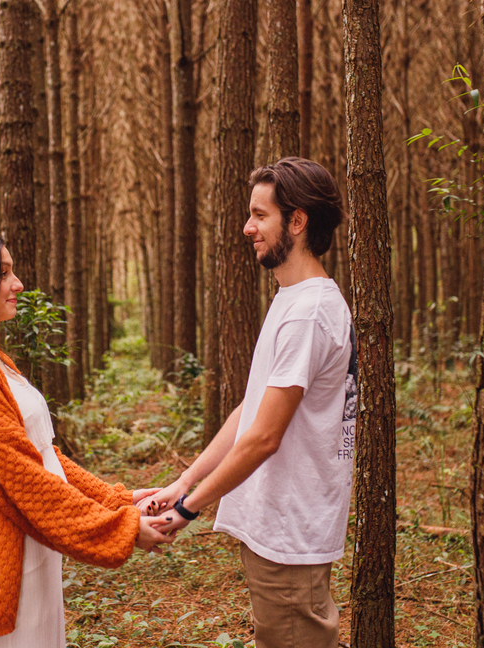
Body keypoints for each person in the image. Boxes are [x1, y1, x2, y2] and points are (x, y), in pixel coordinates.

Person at [0, 232, 173, 648]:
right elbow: (22, 479)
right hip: (3, 566)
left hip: (32, 553)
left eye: (12, 271)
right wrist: (120, 530)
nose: (17, 284)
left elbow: (42, 457)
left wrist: (117, 499)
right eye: (3, 274)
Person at [143, 157, 357, 648]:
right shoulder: (293, 299)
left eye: (260, 215)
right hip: (280, 532)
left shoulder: (309, 313)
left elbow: (263, 437)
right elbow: (250, 410)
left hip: (291, 535)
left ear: (297, 222)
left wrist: (188, 510)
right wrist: (184, 481)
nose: (247, 228)